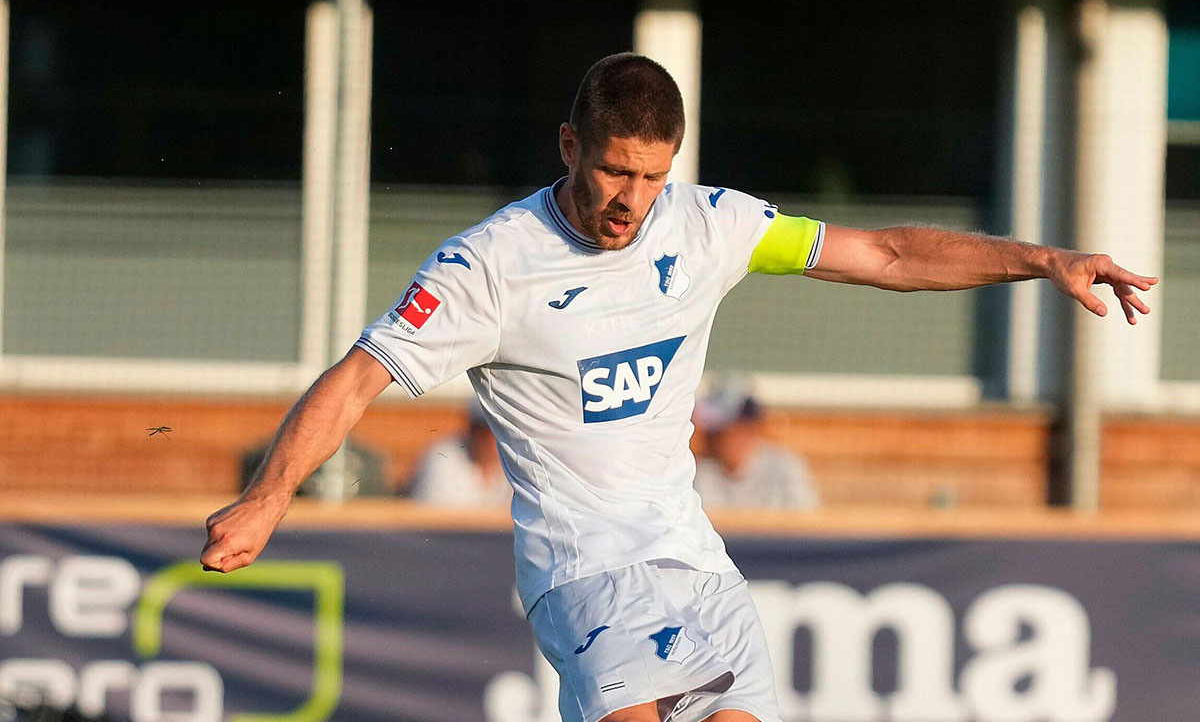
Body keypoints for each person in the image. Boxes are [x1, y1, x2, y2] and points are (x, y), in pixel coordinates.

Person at [201, 53, 1157, 722]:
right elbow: (359, 375)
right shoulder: (487, 267)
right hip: (584, 568)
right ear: (570, 144)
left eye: (652, 177)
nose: (631, 201)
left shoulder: (714, 225)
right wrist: (267, 498)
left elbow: (892, 254)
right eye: (616, 171)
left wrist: (1044, 258)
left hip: (695, 560)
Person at [693, 382, 819, 511]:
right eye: (716, 431)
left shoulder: (785, 466)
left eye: (734, 428)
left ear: (752, 429)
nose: (719, 438)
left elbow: (808, 523)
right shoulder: (703, 471)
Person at [405, 398, 510, 506]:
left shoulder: (516, 462)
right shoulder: (442, 458)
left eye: (504, 431)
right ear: (473, 430)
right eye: (489, 430)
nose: (496, 438)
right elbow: (432, 518)